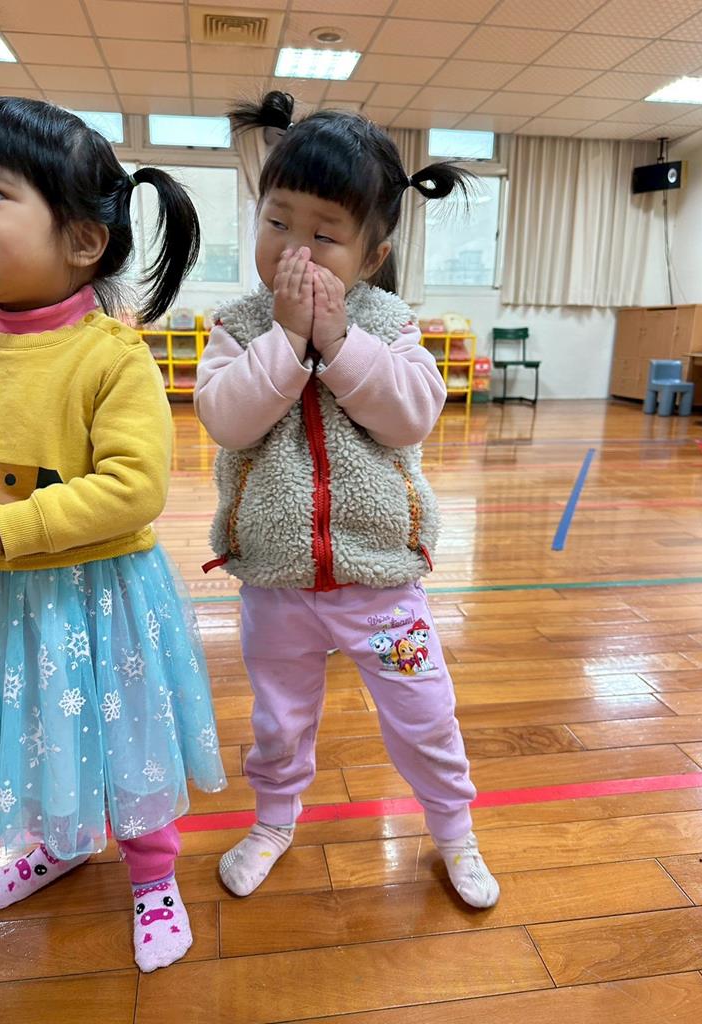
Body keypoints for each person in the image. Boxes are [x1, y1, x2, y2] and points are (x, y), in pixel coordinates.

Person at [0, 96, 226, 973]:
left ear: (83, 239)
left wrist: (4, 526)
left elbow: (134, 488)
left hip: (95, 600)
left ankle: (153, 875)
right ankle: (60, 841)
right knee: (29, 728)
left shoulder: (111, 355)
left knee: (126, 736)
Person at [194, 91, 499, 909]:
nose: (294, 249)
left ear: (370, 256)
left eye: (324, 235)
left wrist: (334, 339)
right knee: (279, 720)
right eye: (276, 222)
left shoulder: (391, 324)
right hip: (277, 582)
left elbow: (410, 415)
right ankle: (273, 820)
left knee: (423, 712)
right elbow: (227, 419)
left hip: (381, 583)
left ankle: (454, 830)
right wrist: (286, 339)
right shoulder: (238, 325)